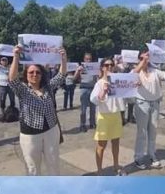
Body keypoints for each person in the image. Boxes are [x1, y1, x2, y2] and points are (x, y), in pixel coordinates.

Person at [8, 45, 67, 175]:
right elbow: (12, 80)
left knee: (53, 164)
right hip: (30, 135)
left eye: (38, 72)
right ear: (26, 75)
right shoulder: (23, 90)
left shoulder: (48, 87)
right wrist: (16, 57)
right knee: (33, 168)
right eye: (31, 72)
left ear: (41, 74)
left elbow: (62, 75)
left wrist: (63, 57)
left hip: (51, 130)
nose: (35, 75)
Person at [91, 58, 127, 176]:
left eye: (111, 65)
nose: (109, 67)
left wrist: (133, 86)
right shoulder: (99, 83)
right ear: (102, 67)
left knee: (116, 142)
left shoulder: (117, 80)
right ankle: (99, 170)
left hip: (116, 115)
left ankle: (116, 165)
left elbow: (127, 91)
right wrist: (103, 92)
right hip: (104, 117)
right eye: (106, 65)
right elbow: (93, 99)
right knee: (101, 145)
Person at [131, 50, 165, 170]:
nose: (147, 58)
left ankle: (152, 154)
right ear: (139, 58)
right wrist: (142, 63)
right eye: (144, 56)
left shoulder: (154, 71)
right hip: (142, 104)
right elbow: (130, 77)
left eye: (148, 56)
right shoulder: (135, 72)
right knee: (142, 132)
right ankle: (139, 157)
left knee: (153, 131)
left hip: (155, 103)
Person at [75, 53, 98, 132]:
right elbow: (74, 78)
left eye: (90, 59)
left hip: (93, 89)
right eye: (87, 59)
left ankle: (92, 123)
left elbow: (97, 78)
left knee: (93, 108)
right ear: (84, 59)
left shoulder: (94, 68)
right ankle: (82, 124)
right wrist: (78, 71)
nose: (88, 60)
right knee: (83, 109)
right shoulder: (80, 67)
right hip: (84, 89)